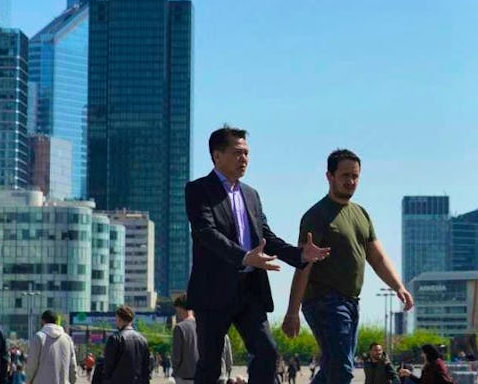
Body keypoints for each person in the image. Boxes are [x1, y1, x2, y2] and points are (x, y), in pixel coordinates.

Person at [186, 126, 331, 384]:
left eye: (247, 153)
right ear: (217, 156)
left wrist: (299, 254)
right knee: (210, 365)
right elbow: (205, 233)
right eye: (237, 153)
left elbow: (266, 237)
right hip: (212, 291)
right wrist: (243, 257)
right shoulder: (198, 190)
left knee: (267, 352)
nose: (244, 159)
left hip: (250, 290)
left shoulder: (251, 194)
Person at [282, 149, 414, 384]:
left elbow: (378, 258)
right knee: (342, 369)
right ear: (329, 176)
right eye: (345, 176)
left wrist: (398, 286)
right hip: (324, 301)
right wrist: (292, 312)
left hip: (351, 301)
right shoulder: (316, 216)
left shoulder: (361, 214)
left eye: (355, 176)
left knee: (333, 367)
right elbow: (303, 265)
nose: (351, 181)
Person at [100, 305, 151, 384]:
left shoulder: (115, 339)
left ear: (120, 319)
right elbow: (146, 368)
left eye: (116, 319)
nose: (116, 322)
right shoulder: (143, 340)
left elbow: (107, 367)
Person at [25, 309, 78, 384]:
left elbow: (32, 364)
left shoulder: (39, 337)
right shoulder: (67, 339)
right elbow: (73, 365)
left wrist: (28, 381)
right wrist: (72, 381)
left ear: (43, 321)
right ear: (56, 321)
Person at [172, 294, 199, 384]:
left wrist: (174, 372)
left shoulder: (179, 328)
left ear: (180, 308)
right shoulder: (202, 325)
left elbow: (177, 356)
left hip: (184, 375)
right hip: (200, 374)